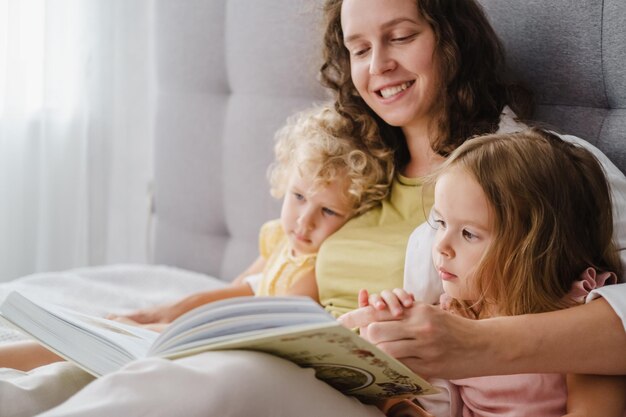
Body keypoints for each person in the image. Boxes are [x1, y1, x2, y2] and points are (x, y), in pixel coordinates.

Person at [26, 0, 626, 415]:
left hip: (374, 394)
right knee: (73, 379)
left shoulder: (546, 172)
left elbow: (611, 302)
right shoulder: (349, 170)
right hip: (295, 350)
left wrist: (471, 347)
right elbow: (263, 282)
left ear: (452, 37)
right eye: (358, 47)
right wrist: (162, 318)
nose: (377, 66)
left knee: (214, 384)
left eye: (401, 36)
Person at [0, 104, 392, 372]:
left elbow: (270, 319)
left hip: (238, 346)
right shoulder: (279, 240)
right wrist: (167, 310)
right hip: (218, 328)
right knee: (112, 327)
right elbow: (240, 289)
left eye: (328, 212)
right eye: (299, 197)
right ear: (283, 182)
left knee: (107, 339)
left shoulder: (316, 267)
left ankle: (17, 357)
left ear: (352, 219)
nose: (303, 222)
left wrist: (168, 321)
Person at [357, 129, 626, 416]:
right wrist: (388, 371)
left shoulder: (577, 319)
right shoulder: (454, 316)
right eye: (441, 222)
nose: (442, 247)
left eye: (469, 234)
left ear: (533, 248)